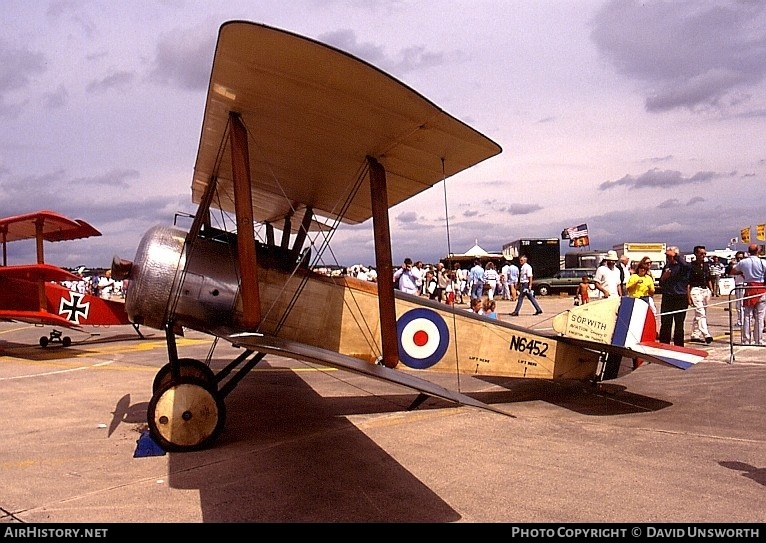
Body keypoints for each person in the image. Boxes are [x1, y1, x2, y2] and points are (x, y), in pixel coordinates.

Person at [731, 243, 766, 345]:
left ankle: (746, 340)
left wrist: (743, 273)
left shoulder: (743, 262)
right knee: (759, 316)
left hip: (750, 287)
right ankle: (758, 340)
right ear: (758, 251)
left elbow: (733, 271)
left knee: (747, 316)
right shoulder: (762, 262)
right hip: (761, 288)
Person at [658, 246, 691, 347]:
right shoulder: (667, 266)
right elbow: (661, 283)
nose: (668, 258)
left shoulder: (683, 267)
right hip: (668, 297)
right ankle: (664, 345)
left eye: (669, 256)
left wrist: (676, 256)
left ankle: (678, 346)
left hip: (680, 297)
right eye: (667, 256)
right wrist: (663, 278)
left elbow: (686, 267)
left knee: (679, 324)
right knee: (666, 323)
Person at [687, 245, 714, 344]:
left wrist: (711, 289)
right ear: (696, 254)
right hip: (695, 290)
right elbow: (688, 283)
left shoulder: (706, 265)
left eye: (704, 253)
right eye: (701, 253)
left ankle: (695, 334)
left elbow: (708, 278)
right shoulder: (691, 266)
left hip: (705, 290)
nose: (703, 255)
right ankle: (706, 334)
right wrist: (688, 296)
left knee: (700, 314)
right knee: (700, 313)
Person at [726, 251, 745, 328]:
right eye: (738, 258)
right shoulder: (735, 266)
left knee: (742, 305)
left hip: (743, 285)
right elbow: (729, 272)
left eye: (741, 258)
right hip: (738, 285)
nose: (739, 259)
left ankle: (742, 321)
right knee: (739, 305)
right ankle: (741, 320)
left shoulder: (745, 265)